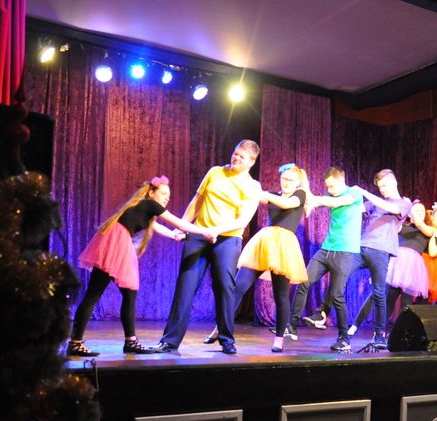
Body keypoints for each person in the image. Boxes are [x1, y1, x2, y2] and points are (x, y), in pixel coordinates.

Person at [67, 176, 215, 356]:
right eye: (163, 193)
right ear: (151, 192)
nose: (167, 198)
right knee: (97, 295)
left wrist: (175, 236)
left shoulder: (145, 208)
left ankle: (129, 341)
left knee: (126, 293)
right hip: (116, 244)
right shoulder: (150, 204)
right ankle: (77, 343)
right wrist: (205, 231)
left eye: (169, 196)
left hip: (117, 242)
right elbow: (178, 223)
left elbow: (160, 228)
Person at [149, 140, 262, 355]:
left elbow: (243, 220)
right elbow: (197, 201)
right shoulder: (215, 172)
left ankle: (226, 339)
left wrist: (217, 230)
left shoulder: (253, 187)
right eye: (236, 153)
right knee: (185, 286)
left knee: (224, 288)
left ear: (251, 162)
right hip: (199, 235)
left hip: (227, 240)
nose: (236, 158)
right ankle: (169, 341)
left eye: (242, 156)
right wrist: (183, 226)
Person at [205, 163, 309, 352]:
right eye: (284, 178)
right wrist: (245, 182)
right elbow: (253, 195)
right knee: (237, 287)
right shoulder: (273, 194)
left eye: (290, 180)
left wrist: (262, 192)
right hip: (263, 243)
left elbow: (287, 204)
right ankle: (220, 329)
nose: (286, 182)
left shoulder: (299, 195)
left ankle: (279, 339)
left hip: (283, 248)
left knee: (280, 295)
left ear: (298, 183)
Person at [303, 169, 411, 348]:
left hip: (380, 251)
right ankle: (322, 313)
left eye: (385, 186)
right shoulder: (374, 203)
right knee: (340, 276)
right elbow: (349, 205)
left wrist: (364, 192)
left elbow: (391, 209)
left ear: (394, 183)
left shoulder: (404, 203)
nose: (382, 190)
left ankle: (379, 335)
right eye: (380, 187)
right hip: (360, 249)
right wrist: (317, 202)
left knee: (379, 293)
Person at [288, 166, 363, 352]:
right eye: (327, 187)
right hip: (326, 250)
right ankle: (292, 326)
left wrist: (315, 198)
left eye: (331, 186)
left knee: (336, 295)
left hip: (345, 252)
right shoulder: (330, 197)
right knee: (304, 282)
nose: (329, 190)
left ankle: (344, 339)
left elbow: (336, 202)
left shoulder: (354, 193)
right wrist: (306, 186)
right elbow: (310, 205)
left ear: (341, 180)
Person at [349, 200, 433, 336]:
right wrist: (403, 212)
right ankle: (357, 325)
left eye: (422, 211)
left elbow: (421, 226)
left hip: (412, 268)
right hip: (396, 264)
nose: (420, 213)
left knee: (407, 303)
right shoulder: (401, 226)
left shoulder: (428, 230)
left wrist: (411, 210)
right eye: (416, 210)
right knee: (380, 295)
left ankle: (401, 334)